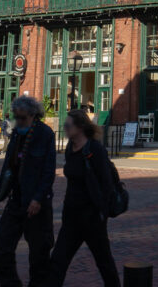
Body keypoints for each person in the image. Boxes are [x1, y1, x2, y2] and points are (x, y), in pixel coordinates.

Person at [49, 109, 120, 287]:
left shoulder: (95, 149)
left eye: (67, 125)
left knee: (104, 263)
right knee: (57, 261)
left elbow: (106, 183)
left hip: (92, 218)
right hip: (72, 218)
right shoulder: (69, 148)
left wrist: (100, 212)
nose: (64, 128)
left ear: (80, 127)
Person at [0, 96, 57, 287]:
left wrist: (38, 198)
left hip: (37, 204)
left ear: (33, 115)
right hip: (16, 200)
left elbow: (48, 171)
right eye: (16, 117)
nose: (18, 122)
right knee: (1, 247)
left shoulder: (45, 134)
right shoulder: (17, 134)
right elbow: (9, 166)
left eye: (22, 118)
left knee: (39, 255)